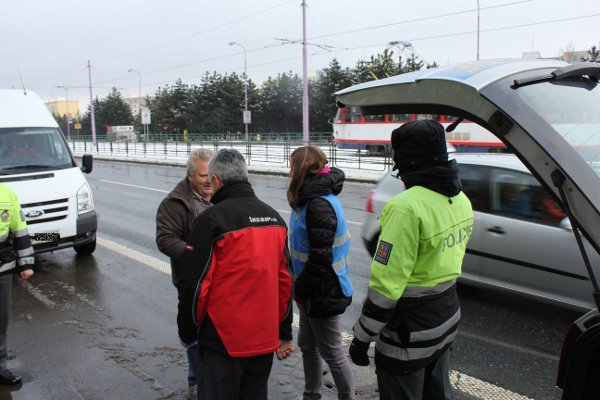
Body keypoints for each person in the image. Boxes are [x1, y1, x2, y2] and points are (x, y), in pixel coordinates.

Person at [349, 120, 474, 400]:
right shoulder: (461, 199)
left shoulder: (406, 208)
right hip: (446, 320)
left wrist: (362, 337)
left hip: (409, 335)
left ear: (407, 163)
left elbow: (386, 285)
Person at [180, 148, 294, 400]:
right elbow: (285, 282)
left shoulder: (211, 220)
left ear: (217, 181)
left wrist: (187, 331)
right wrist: (283, 331)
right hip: (263, 340)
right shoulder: (275, 219)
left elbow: (197, 286)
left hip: (223, 341)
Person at [287, 145, 356, 400]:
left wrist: (300, 288)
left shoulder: (318, 205)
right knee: (308, 345)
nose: (289, 170)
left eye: (292, 166)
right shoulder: (309, 199)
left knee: (333, 352)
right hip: (311, 288)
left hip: (323, 289)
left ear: (302, 168)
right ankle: (311, 393)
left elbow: (320, 258)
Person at [155, 148, 213, 398]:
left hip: (222, 280)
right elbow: (165, 239)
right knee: (195, 332)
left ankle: (216, 378)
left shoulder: (223, 194)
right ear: (190, 176)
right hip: (192, 281)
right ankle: (196, 382)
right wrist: (192, 251)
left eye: (212, 174)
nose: (208, 180)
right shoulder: (174, 202)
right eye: (202, 176)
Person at [0, 183, 35, 385]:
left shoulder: (7, 194)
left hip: (2, 268)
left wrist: (26, 262)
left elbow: (20, 229)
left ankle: (1, 368)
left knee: (1, 321)